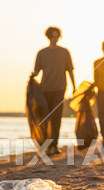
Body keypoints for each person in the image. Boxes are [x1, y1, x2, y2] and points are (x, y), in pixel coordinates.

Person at [32, 26, 75, 155]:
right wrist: (32, 77)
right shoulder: (41, 53)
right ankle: (47, 144)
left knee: (56, 117)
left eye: (57, 36)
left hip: (60, 89)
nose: (55, 39)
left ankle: (54, 145)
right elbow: (37, 71)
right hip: (45, 90)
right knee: (46, 118)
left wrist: (74, 86)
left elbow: (70, 70)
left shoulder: (65, 52)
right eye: (53, 36)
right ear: (48, 37)